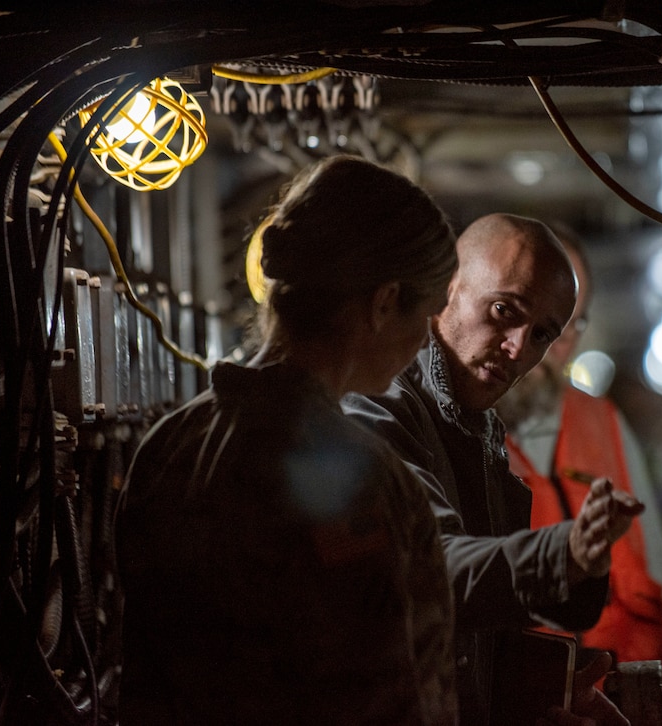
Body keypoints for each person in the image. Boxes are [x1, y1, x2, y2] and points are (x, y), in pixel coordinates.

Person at [115, 155, 459, 725]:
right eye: (428, 313)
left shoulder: (167, 446)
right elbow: (392, 698)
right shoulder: (362, 478)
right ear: (383, 303)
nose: (425, 339)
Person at [342, 213, 643, 726]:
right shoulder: (379, 402)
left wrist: (536, 695)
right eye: (505, 310)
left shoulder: (474, 426)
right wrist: (565, 553)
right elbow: (431, 567)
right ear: (447, 289)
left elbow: (480, 628)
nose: (518, 349)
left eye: (542, 334)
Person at [497, 224, 662, 664]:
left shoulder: (605, 421)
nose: (546, 342)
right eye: (525, 312)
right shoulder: (454, 436)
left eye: (566, 324)